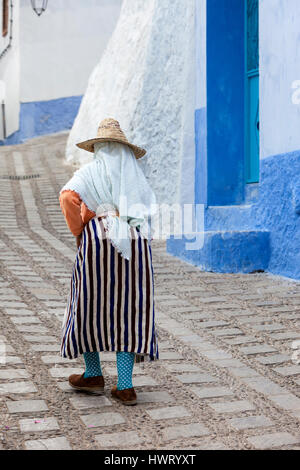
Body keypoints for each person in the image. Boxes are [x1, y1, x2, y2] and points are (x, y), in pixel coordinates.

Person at [59, 118, 158, 406]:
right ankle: (125, 387)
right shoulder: (134, 176)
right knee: (129, 308)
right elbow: (145, 215)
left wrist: (80, 230)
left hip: (97, 241)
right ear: (124, 150)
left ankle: (93, 375)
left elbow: (67, 198)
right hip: (134, 245)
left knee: (90, 303)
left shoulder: (89, 173)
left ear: (99, 148)